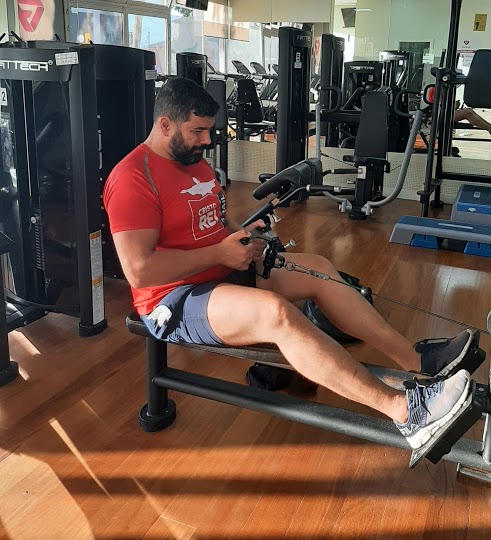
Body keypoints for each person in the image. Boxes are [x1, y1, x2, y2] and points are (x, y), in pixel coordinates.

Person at [104, 76, 478, 452]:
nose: (207, 140)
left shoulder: (195, 162)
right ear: (165, 125)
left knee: (319, 268)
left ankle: (416, 360)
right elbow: (139, 271)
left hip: (222, 271)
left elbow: (217, 223)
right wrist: (219, 254)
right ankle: (408, 413)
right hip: (172, 300)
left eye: (208, 131)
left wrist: (243, 237)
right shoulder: (133, 178)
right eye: (197, 131)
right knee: (276, 313)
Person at [427, 87, 491, 134]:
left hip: (444, 113)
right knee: (466, 113)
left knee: (469, 110)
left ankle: (489, 126)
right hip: (438, 114)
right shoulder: (436, 89)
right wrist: (454, 106)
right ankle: (489, 128)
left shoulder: (445, 89)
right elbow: (440, 106)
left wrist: (454, 106)